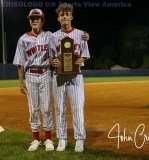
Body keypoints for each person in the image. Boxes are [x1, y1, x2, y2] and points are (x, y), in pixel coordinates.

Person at [13, 8, 89, 151]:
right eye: (31, 18)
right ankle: (45, 139)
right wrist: (20, 81)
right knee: (38, 109)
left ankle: (58, 139)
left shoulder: (52, 35)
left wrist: (85, 38)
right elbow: (21, 62)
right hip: (35, 75)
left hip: (52, 75)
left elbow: (80, 52)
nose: (34, 20)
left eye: (37, 18)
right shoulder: (29, 38)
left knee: (52, 108)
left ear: (42, 21)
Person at [50, 3, 90, 152]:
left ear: (71, 17)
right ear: (58, 18)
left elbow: (85, 54)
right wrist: (52, 61)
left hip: (76, 76)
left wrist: (82, 60)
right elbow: (51, 56)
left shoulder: (81, 34)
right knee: (59, 108)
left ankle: (79, 139)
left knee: (77, 108)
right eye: (61, 14)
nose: (64, 16)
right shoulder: (53, 36)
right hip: (59, 76)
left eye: (67, 14)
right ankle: (62, 139)